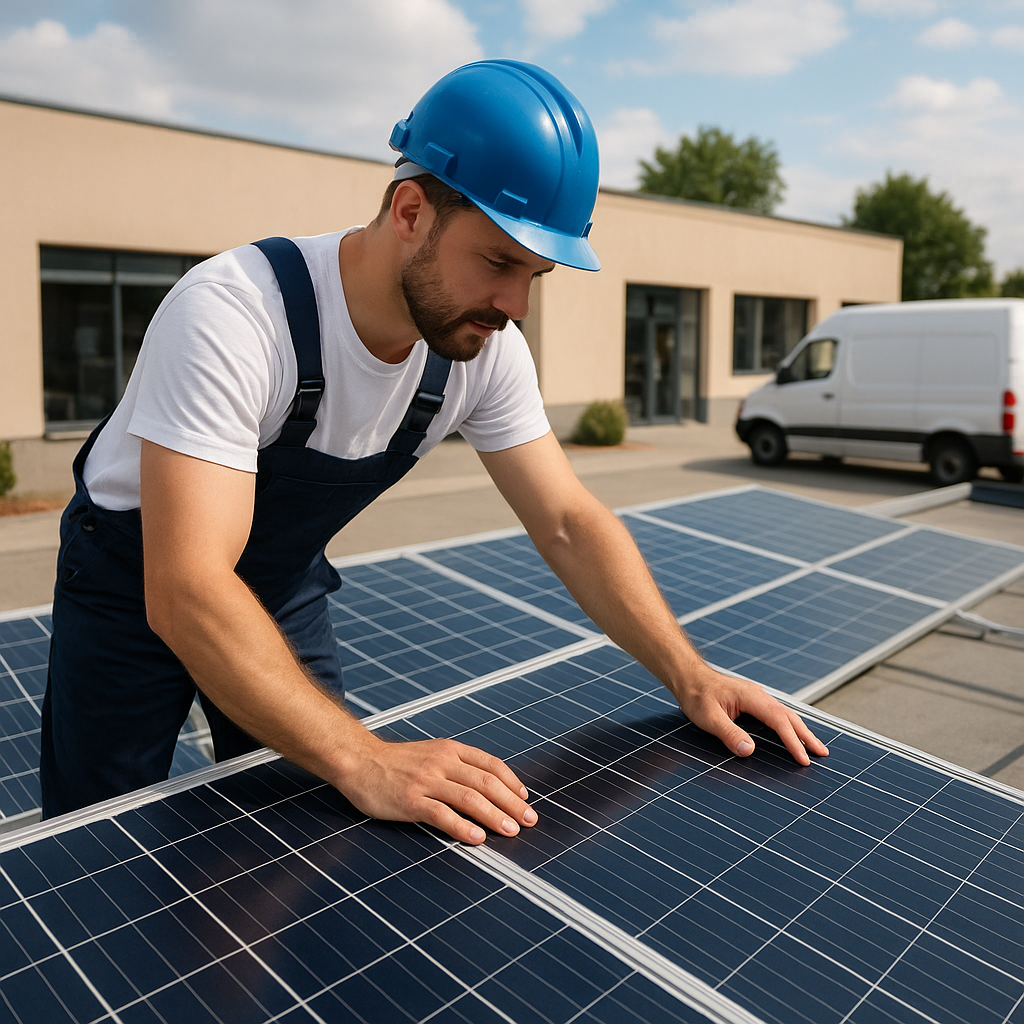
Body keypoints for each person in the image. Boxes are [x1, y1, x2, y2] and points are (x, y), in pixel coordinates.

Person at [40, 60, 827, 837]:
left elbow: (565, 521)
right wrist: (364, 758)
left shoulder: (480, 349)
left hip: (278, 581)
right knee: (100, 843)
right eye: (498, 262)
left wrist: (691, 678)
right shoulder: (235, 315)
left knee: (303, 837)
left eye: (537, 274)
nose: (515, 306)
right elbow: (185, 589)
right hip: (133, 587)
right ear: (410, 211)